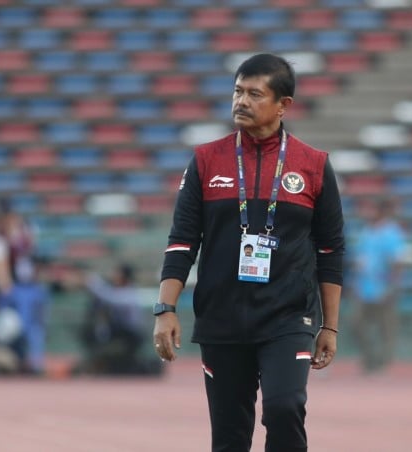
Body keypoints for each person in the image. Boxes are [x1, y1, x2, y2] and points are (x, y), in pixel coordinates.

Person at [152, 53, 345, 451]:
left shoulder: (313, 165)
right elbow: (182, 241)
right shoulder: (206, 160)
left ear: (283, 105)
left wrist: (330, 325)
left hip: (287, 315)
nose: (241, 101)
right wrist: (165, 309)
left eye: (255, 94)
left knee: (285, 407)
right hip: (222, 317)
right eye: (237, 91)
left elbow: (331, 250)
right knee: (229, 437)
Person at [349, 198, 407, 373]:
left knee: (385, 327)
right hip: (364, 287)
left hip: (383, 287)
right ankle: (370, 359)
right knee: (357, 323)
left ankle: (382, 364)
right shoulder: (367, 231)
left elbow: (397, 262)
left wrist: (392, 287)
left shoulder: (392, 232)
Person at [76, 263, 161, 376]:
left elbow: (111, 298)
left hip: (131, 333)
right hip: (119, 330)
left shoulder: (129, 292)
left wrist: (92, 281)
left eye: (117, 273)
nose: (113, 275)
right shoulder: (117, 290)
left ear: (124, 276)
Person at [0, 197, 37, 295]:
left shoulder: (27, 231)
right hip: (13, 286)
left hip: (29, 283)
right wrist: (7, 290)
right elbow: (1, 270)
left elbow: (32, 254)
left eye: (11, 216)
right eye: (5, 217)